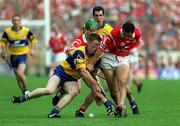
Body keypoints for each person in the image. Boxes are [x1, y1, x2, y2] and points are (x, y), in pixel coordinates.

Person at [11, 33, 106, 118]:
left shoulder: (95, 57)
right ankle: (24, 97)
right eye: (95, 45)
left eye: (99, 45)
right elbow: (82, 72)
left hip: (71, 78)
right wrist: (95, 85)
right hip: (61, 72)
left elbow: (92, 74)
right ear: (88, 43)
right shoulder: (80, 52)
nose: (97, 48)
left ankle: (54, 112)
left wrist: (95, 85)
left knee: (74, 91)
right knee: (49, 90)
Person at [52, 18, 115, 117]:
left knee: (95, 88)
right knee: (85, 88)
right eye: (90, 30)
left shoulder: (96, 40)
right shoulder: (79, 40)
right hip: (76, 67)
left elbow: (98, 54)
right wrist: (75, 53)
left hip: (87, 68)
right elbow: (70, 50)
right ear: (85, 30)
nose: (92, 32)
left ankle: (82, 110)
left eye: (94, 30)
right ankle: (61, 92)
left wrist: (95, 67)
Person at [87, 21, 142, 117]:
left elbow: (135, 43)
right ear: (122, 31)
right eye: (125, 35)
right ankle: (119, 107)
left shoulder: (137, 34)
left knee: (122, 83)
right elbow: (101, 49)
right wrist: (91, 63)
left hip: (122, 59)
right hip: (108, 58)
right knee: (113, 91)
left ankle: (125, 104)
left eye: (129, 36)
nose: (127, 38)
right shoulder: (114, 34)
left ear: (132, 33)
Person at [75, 5, 115, 117]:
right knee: (95, 88)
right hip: (84, 65)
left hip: (98, 62)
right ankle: (109, 106)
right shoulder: (88, 28)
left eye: (100, 15)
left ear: (104, 16)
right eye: (96, 15)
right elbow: (79, 43)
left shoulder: (109, 30)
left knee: (95, 89)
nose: (98, 18)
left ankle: (81, 111)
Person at [0, 15, 37, 95]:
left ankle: (26, 89)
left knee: (20, 73)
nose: (16, 22)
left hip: (23, 55)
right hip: (13, 56)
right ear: (12, 22)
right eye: (14, 20)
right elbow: (3, 42)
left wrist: (32, 49)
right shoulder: (7, 31)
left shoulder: (26, 30)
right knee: (18, 77)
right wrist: (2, 51)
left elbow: (33, 40)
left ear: (20, 21)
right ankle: (24, 92)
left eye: (17, 20)